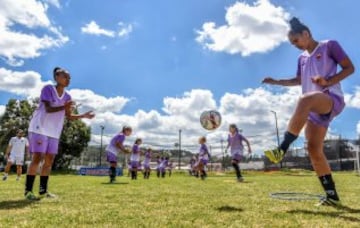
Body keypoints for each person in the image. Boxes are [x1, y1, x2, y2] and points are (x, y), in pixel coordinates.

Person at [262, 17, 355, 206]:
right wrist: (276, 82)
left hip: (330, 99)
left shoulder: (329, 45)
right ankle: (332, 196)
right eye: (291, 43)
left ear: (306, 34)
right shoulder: (302, 58)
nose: (295, 45)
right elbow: (298, 80)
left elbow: (349, 68)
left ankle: (282, 149)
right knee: (313, 149)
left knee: (306, 99)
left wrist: (327, 81)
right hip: (312, 108)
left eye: (295, 41)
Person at [25, 67, 95, 200]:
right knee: (38, 158)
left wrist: (83, 116)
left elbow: (68, 116)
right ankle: (28, 191)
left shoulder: (68, 97)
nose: (68, 79)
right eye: (65, 77)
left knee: (49, 162)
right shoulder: (48, 89)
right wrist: (65, 106)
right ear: (57, 77)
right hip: (39, 128)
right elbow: (48, 108)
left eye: (69, 78)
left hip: (54, 132)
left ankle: (43, 191)